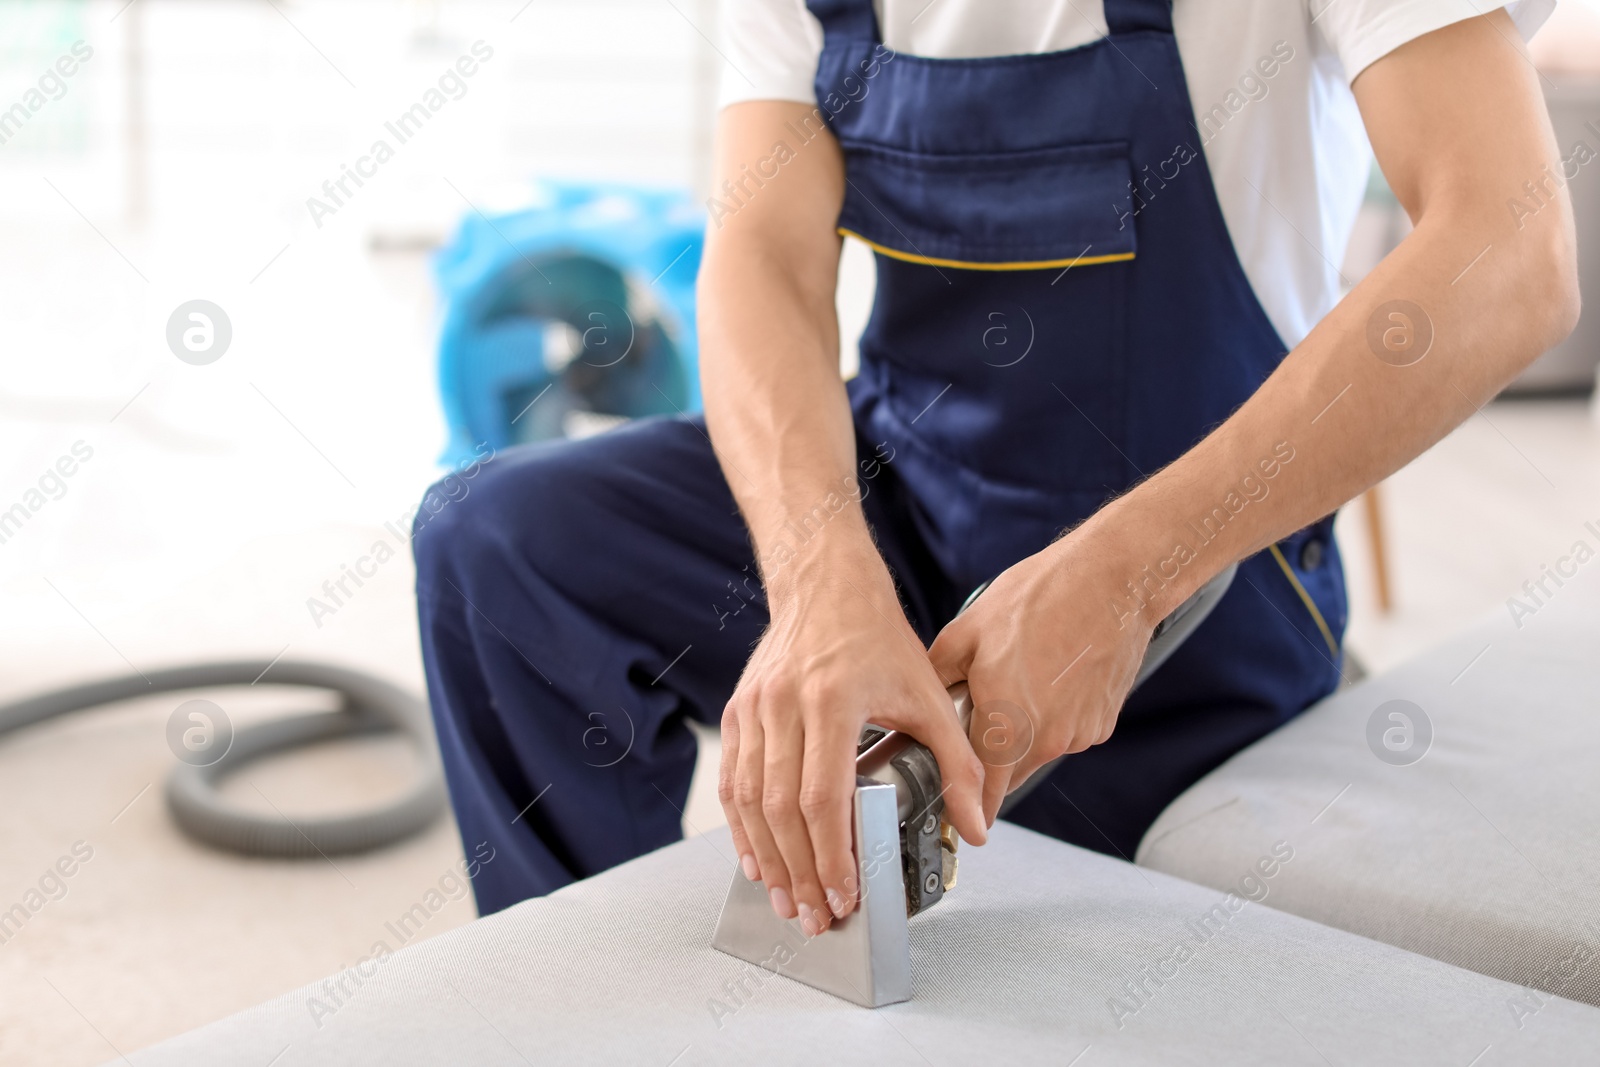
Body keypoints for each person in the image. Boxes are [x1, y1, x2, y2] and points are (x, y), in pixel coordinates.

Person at [413, 0, 1578, 932]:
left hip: (1199, 602)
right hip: (906, 506)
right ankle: (574, 1007)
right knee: (499, 542)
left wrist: (1126, 575)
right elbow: (758, 260)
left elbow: (1507, 252)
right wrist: (824, 584)